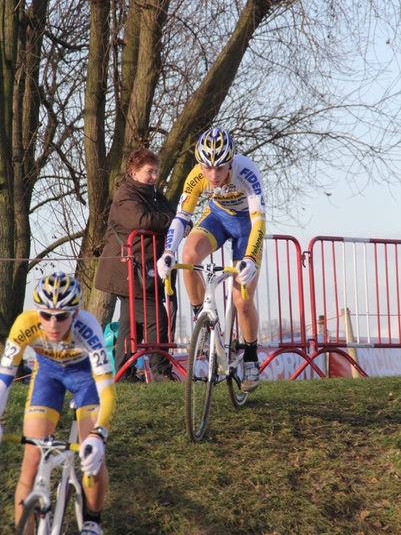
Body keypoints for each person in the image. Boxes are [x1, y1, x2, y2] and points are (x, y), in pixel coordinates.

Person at [0, 272, 117, 535]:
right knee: (31, 458)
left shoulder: (89, 330)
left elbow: (108, 393)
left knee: (93, 459)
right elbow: (4, 381)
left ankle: (92, 521)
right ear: (37, 311)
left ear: (75, 314)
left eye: (62, 316)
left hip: (86, 378)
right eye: (46, 315)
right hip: (48, 374)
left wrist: (99, 435)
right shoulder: (24, 323)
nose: (53, 323)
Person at [157, 127, 266, 392]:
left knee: (242, 300)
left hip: (246, 226)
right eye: (208, 168)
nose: (213, 175)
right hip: (217, 217)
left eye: (220, 168)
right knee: (188, 255)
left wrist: (250, 258)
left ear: (231, 162)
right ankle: (200, 319)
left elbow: (259, 221)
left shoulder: (247, 173)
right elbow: (182, 217)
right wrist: (168, 252)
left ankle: (250, 354)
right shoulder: (196, 176)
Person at [95, 148, 178, 382]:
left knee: (130, 322)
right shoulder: (126, 195)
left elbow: (172, 213)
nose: (154, 176)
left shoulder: (153, 194)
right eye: (149, 171)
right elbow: (140, 221)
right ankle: (160, 371)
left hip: (141, 268)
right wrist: (173, 223)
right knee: (156, 315)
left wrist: (175, 220)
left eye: (156, 171)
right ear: (134, 172)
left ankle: (123, 373)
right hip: (127, 269)